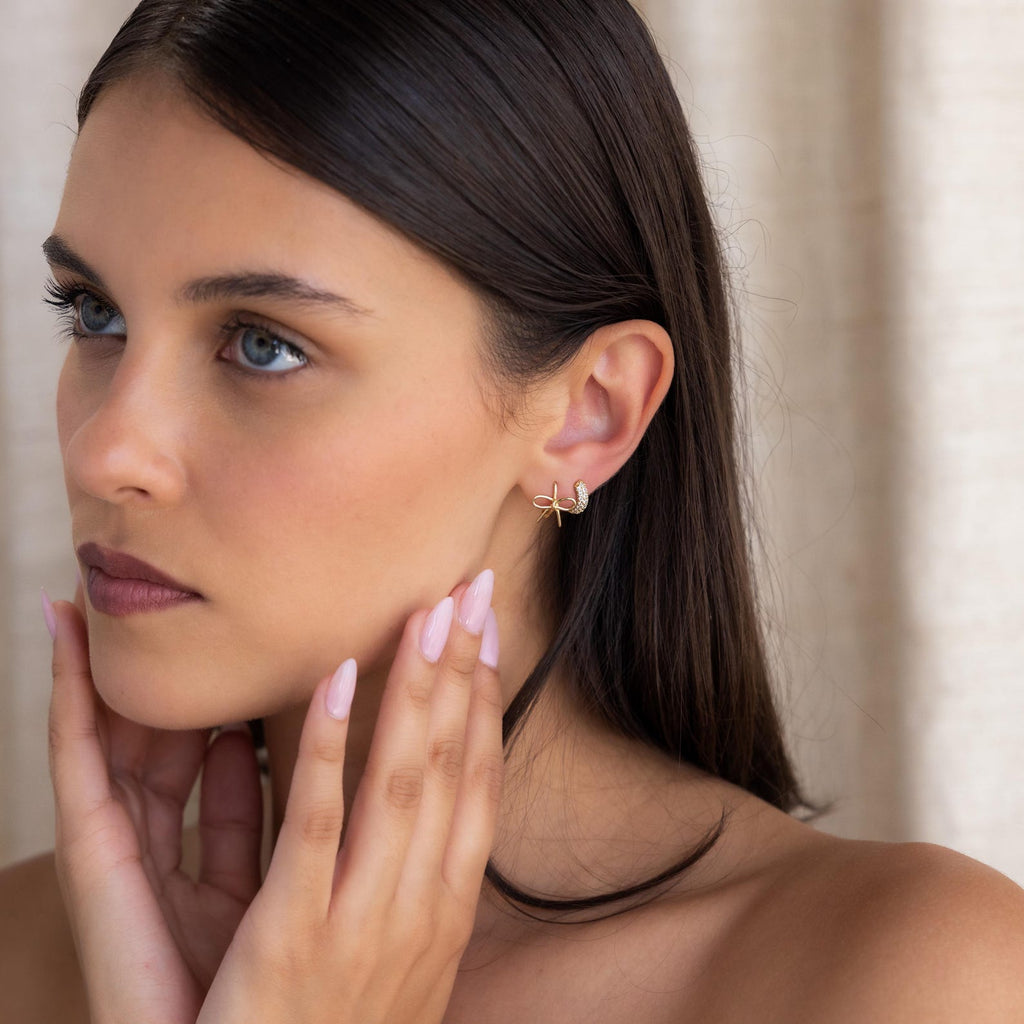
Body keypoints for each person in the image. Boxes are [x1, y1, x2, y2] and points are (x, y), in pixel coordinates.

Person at [2, 0, 1023, 1020]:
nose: (107, 451)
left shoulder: (912, 978)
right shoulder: (27, 952)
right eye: (96, 314)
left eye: (264, 344)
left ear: (588, 413)